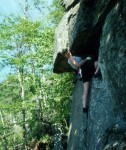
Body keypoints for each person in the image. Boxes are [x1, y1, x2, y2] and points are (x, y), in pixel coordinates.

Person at [62, 48, 100, 113]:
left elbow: (77, 66)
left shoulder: (70, 59)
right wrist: (86, 59)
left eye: (67, 51)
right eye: (66, 53)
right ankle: (96, 73)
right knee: (99, 62)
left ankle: (84, 107)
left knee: (86, 90)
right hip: (85, 67)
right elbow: (78, 65)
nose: (67, 52)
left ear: (69, 51)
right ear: (65, 55)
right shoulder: (71, 59)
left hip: (83, 72)